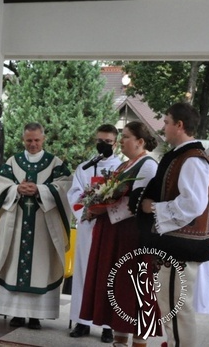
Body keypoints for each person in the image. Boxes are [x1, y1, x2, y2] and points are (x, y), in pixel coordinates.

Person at [80, 121, 161, 347]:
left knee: (131, 292)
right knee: (116, 290)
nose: (122, 141)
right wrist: (95, 204)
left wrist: (103, 207)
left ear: (140, 141)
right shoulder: (126, 165)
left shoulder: (147, 166)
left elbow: (136, 204)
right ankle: (119, 342)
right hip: (114, 233)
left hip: (131, 237)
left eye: (125, 136)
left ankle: (137, 344)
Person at [139, 102, 209, 347]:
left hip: (181, 247)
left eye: (166, 122)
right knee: (171, 308)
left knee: (178, 310)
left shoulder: (192, 160)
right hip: (174, 246)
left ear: (179, 125)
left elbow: (193, 205)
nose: (163, 127)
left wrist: (154, 208)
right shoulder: (182, 156)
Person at [0, 122, 72, 330]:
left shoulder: (55, 163)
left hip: (43, 227)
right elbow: (0, 186)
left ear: (43, 139)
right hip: (16, 224)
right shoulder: (12, 161)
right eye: (28, 140)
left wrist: (41, 190)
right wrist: (16, 189)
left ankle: (36, 316)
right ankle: (16, 313)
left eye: (36, 140)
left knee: (40, 268)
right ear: (23, 140)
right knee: (14, 265)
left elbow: (65, 186)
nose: (32, 144)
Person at [67, 124, 121, 343]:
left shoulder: (122, 167)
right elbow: (75, 193)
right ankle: (82, 321)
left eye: (108, 142)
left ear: (115, 144)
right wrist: (87, 212)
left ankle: (108, 326)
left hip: (110, 227)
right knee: (83, 272)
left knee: (109, 275)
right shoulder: (84, 168)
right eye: (100, 141)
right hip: (89, 227)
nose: (103, 145)